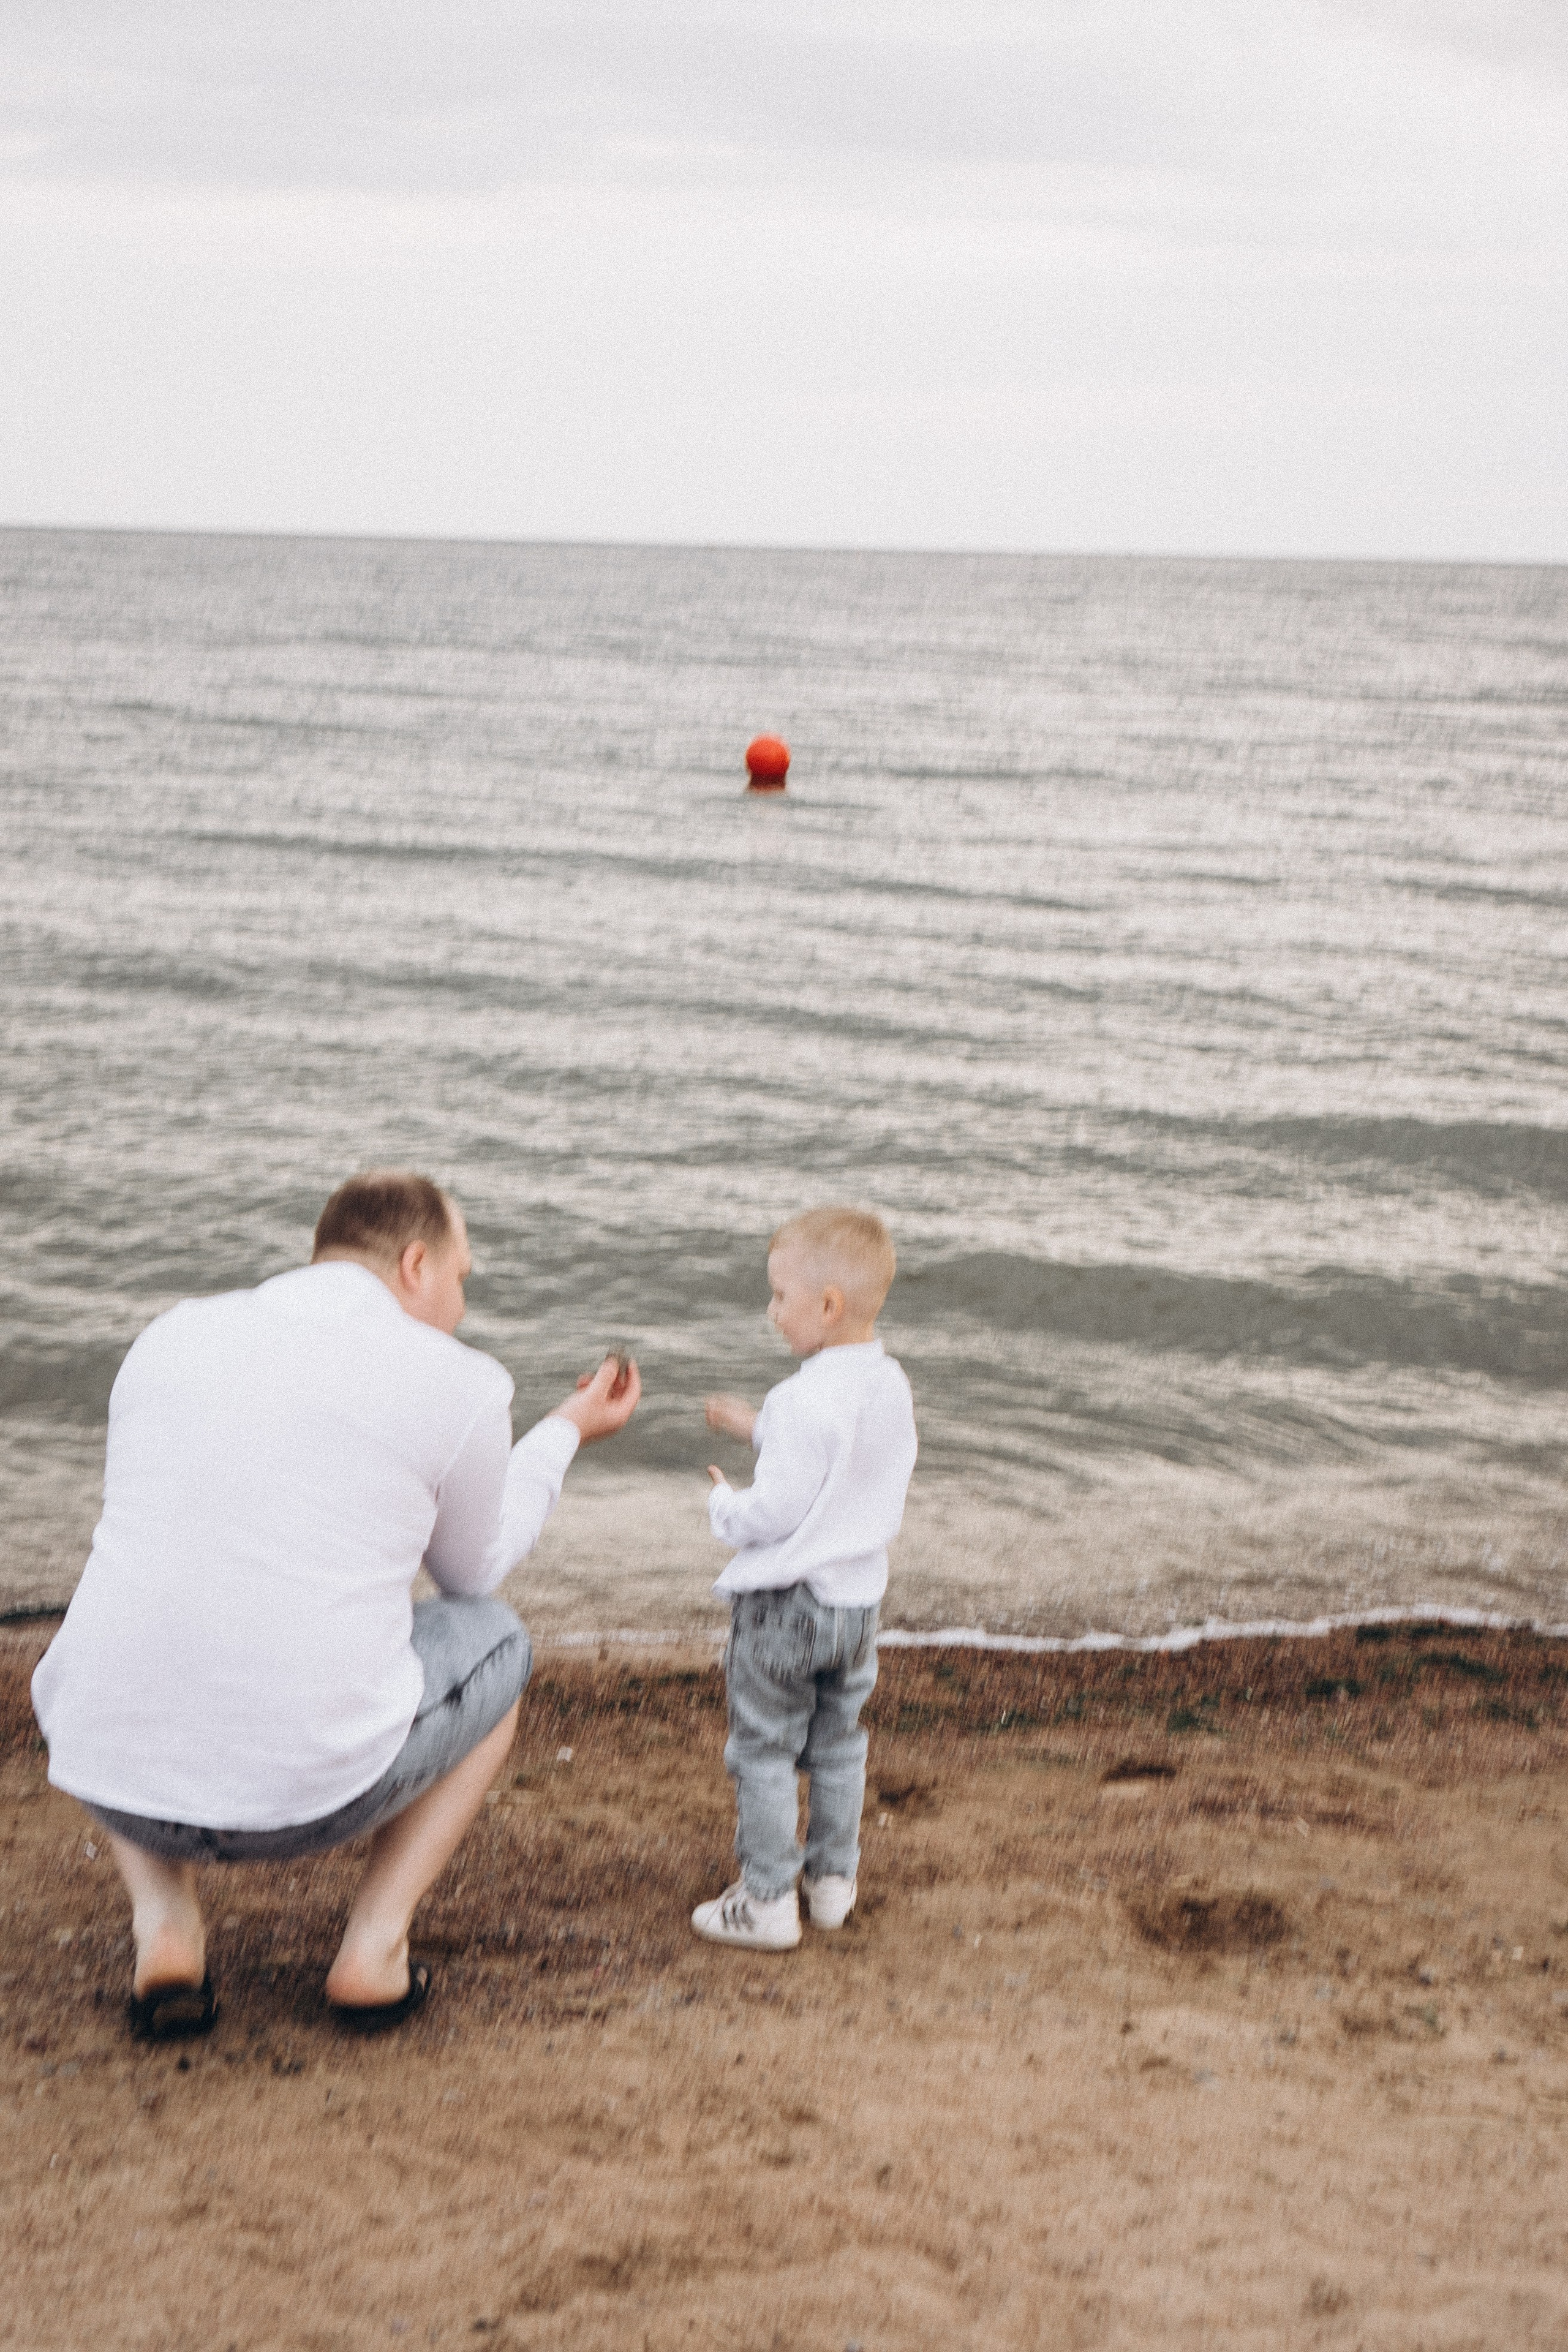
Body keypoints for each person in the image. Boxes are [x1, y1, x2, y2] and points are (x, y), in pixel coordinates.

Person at [30, 1171, 639, 2038]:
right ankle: (375, 1948)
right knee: (497, 1642)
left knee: (134, 1617)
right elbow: (475, 1575)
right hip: (316, 1795)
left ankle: (164, 1926)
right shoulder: (455, 1377)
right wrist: (566, 1430)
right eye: (463, 1278)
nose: (461, 1306)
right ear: (416, 1263)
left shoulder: (172, 1335)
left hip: (109, 1772)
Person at [695, 1207, 917, 1951]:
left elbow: (780, 1506)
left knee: (761, 1750)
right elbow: (843, 1459)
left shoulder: (801, 1398)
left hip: (786, 1609)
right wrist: (758, 1426)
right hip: (855, 1608)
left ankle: (764, 1902)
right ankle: (830, 1884)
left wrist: (725, 1504)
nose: (772, 1311)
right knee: (838, 1744)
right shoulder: (887, 1386)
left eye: (780, 1297)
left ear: (826, 1305)